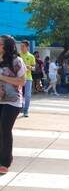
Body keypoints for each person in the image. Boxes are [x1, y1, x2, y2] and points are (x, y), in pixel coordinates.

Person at [0, 35, 27, 174]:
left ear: (6, 47)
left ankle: (5, 162)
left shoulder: (17, 61)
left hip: (13, 101)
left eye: (0, 43)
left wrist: (2, 77)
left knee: (5, 128)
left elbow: (22, 81)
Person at [20, 40, 35, 117]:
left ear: (27, 47)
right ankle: (21, 107)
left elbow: (34, 68)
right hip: (19, 78)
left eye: (23, 46)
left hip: (28, 78)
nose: (21, 47)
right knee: (19, 94)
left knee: (28, 95)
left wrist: (30, 67)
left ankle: (26, 110)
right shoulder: (18, 55)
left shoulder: (31, 56)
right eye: (20, 46)